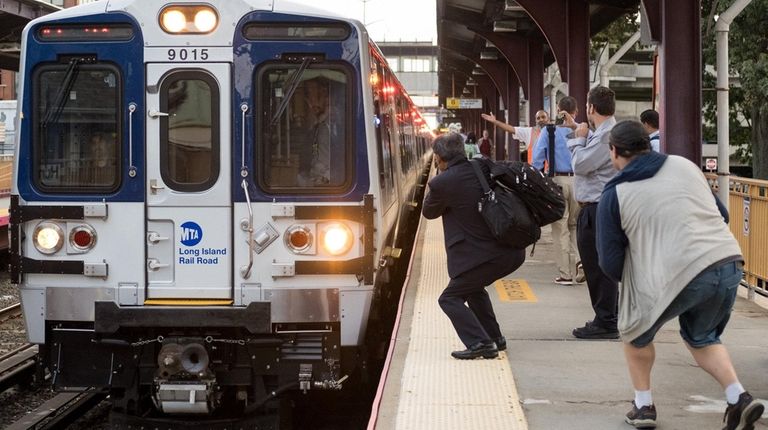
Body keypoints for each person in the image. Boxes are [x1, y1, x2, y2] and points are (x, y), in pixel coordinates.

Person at [596, 120, 764, 430]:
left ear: (615, 152)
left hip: (678, 273)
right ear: (647, 145)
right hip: (728, 262)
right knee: (702, 338)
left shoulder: (615, 194)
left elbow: (610, 261)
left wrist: (646, 270)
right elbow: (722, 214)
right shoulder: (685, 166)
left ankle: (644, 407)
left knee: (635, 333)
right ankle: (738, 397)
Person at [422, 133, 526, 359]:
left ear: (439, 157)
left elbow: (429, 212)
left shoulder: (443, 182)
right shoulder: (482, 166)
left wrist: (440, 180)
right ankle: (495, 338)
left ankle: (480, 343)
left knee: (449, 298)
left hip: (486, 256)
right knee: (473, 290)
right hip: (512, 249)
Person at [565, 85, 619, 340]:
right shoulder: (603, 133)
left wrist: (579, 138)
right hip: (594, 208)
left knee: (599, 267)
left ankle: (606, 321)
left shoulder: (606, 135)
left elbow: (582, 165)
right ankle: (604, 317)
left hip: (598, 208)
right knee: (594, 265)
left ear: (591, 108)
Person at [531, 96, 580, 286]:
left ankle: (566, 274)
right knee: (575, 226)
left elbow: (537, 159)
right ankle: (580, 262)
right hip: (578, 182)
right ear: (575, 112)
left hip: (557, 182)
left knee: (560, 228)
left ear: (558, 110)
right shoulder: (581, 130)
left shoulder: (548, 131)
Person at [481, 110, 549, 164]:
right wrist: (495, 122)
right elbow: (511, 129)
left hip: (552, 172)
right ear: (536, 121)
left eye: (543, 117)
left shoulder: (555, 132)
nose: (541, 119)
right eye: (538, 118)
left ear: (548, 119)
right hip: (535, 173)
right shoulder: (529, 132)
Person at [303, 77, 331, 185]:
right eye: (309, 95)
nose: (311, 101)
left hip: (327, 178)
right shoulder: (316, 126)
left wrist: (326, 176)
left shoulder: (338, 123)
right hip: (317, 176)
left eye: (316, 94)